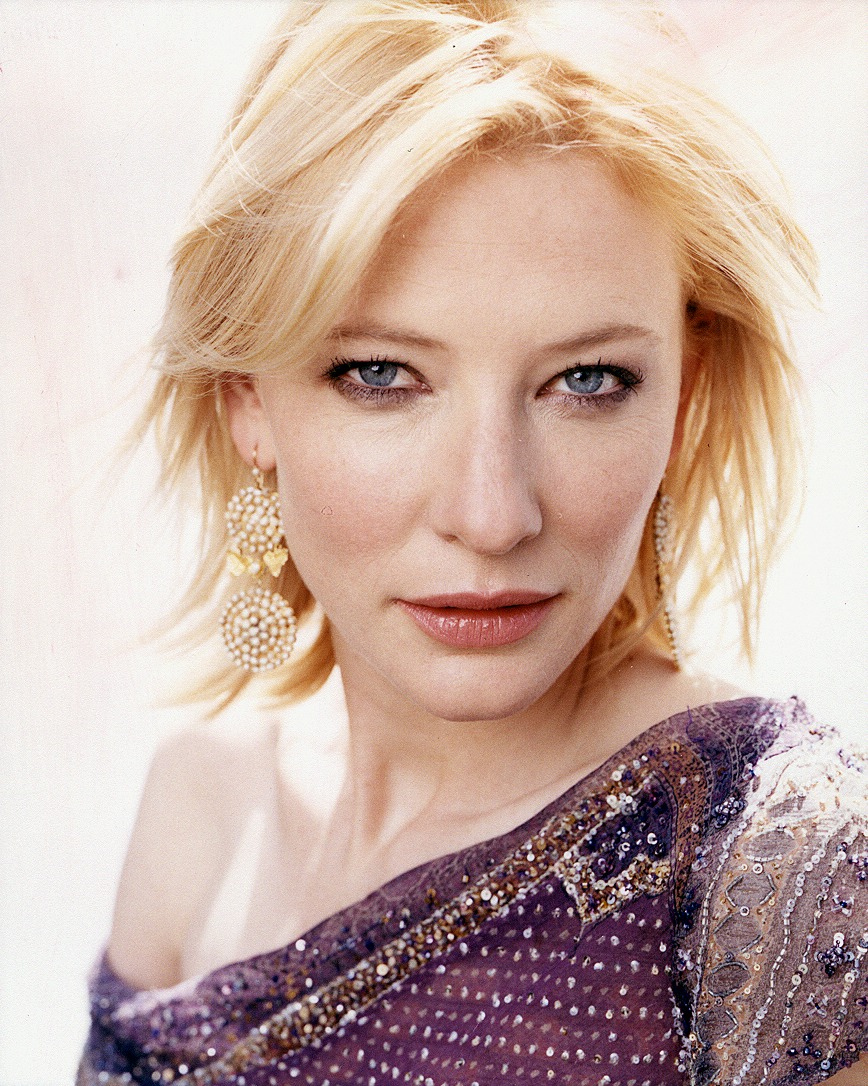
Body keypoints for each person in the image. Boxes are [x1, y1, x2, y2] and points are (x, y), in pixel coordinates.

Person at [77, 1, 866, 1083]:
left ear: (686, 396)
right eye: (381, 375)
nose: (493, 516)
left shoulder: (774, 866)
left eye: (587, 380)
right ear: (244, 401)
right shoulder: (198, 812)